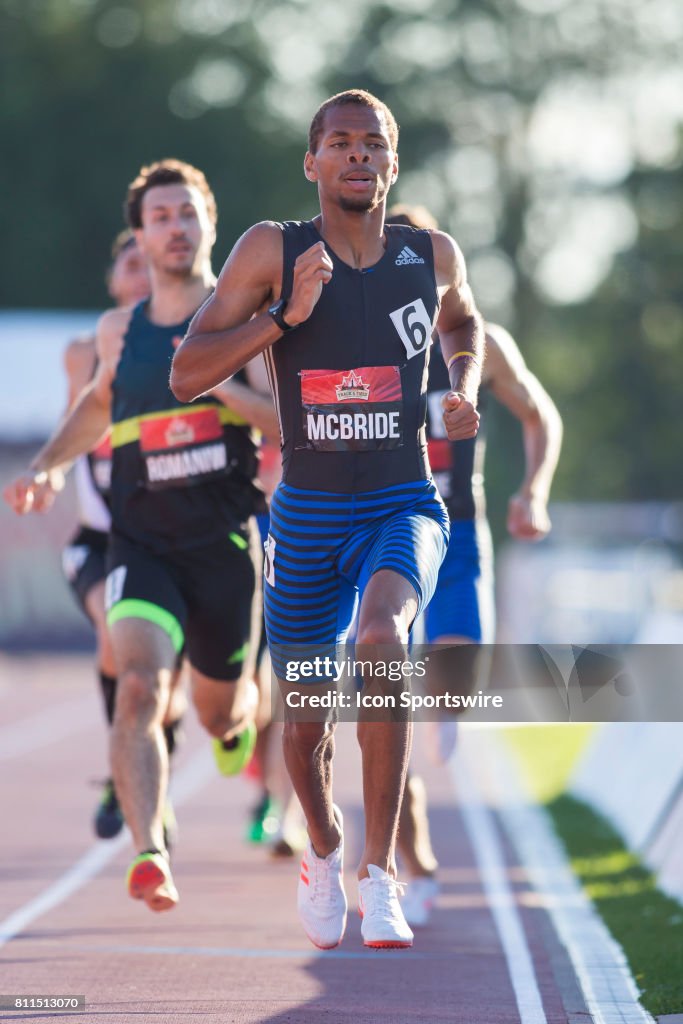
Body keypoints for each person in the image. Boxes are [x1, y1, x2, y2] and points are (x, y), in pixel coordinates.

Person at [170, 90, 485, 949]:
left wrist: (458, 384)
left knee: (384, 641)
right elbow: (187, 372)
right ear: (311, 162)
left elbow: (463, 320)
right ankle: (323, 844)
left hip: (402, 500)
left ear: (393, 163)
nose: (357, 157)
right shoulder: (272, 250)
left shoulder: (432, 253)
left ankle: (378, 875)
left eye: (372, 145)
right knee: (305, 725)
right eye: (340, 144)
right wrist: (281, 318)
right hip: (305, 513)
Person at [4, 159, 279, 913]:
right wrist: (49, 467)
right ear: (141, 235)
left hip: (223, 547)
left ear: (209, 223)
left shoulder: (243, 318)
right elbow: (97, 405)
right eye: (159, 217)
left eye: (186, 213)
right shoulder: (117, 330)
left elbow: (282, 424)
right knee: (137, 688)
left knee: (224, 711)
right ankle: (151, 847)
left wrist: (217, 377)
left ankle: (236, 728)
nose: (174, 228)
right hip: (142, 545)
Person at [385, 205, 563, 928]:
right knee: (379, 706)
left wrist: (533, 489)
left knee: (452, 681)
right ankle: (406, 855)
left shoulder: (481, 345)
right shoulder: (350, 343)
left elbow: (538, 414)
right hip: (377, 532)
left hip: (455, 531)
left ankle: (440, 702)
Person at [62, 232, 186, 841]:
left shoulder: (191, 341)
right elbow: (81, 424)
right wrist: (49, 466)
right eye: (128, 264)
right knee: (119, 644)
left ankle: (154, 752)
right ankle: (130, 780)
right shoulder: (83, 352)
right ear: (114, 279)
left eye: (148, 262)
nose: (140, 274)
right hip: (103, 540)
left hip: (180, 538)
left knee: (171, 687)